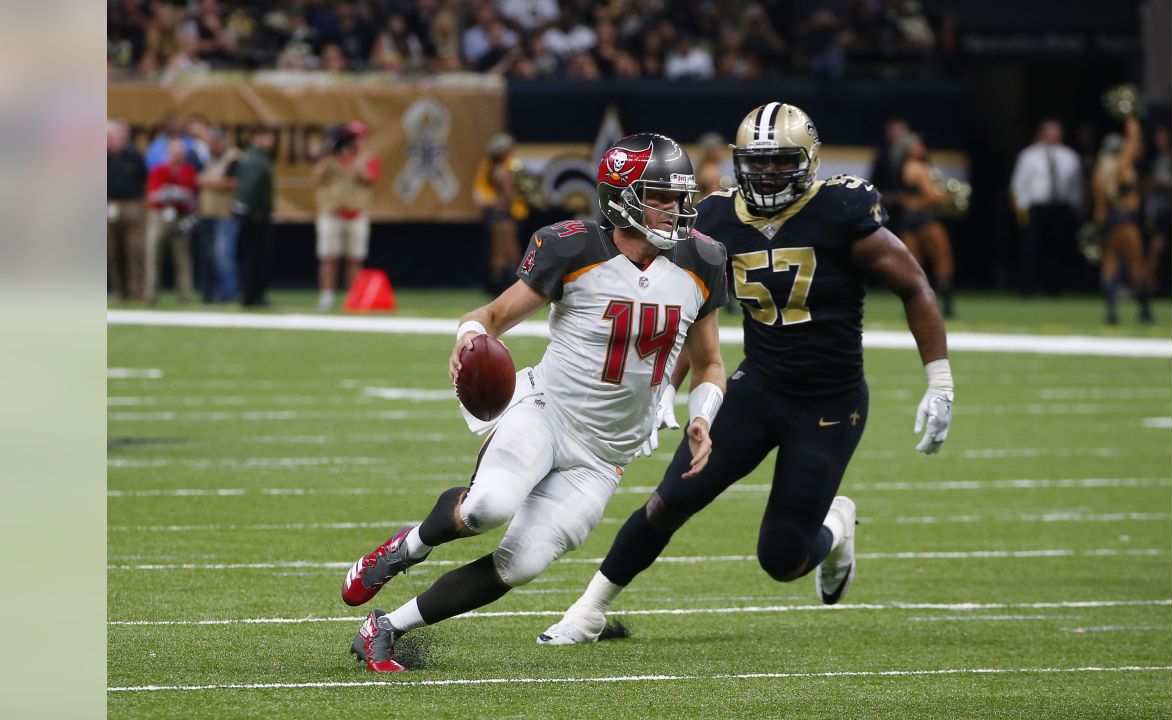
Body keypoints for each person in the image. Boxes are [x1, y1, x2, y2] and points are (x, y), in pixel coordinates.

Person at [538, 102, 953, 645]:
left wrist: (939, 379)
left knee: (782, 559)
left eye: (780, 162)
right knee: (671, 499)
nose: (767, 174)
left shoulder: (840, 209)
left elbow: (914, 286)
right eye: (756, 162)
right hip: (756, 388)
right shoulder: (715, 218)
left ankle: (837, 524)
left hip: (828, 403)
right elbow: (687, 308)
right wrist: (667, 382)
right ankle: (587, 611)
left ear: (808, 160)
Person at [339, 133, 729, 672]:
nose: (676, 210)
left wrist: (701, 417)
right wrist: (466, 338)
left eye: (680, 197)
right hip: (548, 412)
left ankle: (385, 627)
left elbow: (708, 362)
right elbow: (492, 316)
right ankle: (405, 550)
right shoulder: (574, 247)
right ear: (622, 196)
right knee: (486, 507)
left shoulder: (703, 259)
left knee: (518, 565)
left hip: (606, 453)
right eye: (660, 197)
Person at [1010, 119, 1084, 296]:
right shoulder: (1029, 155)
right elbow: (1019, 183)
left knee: (1056, 248)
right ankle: (1027, 287)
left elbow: (1076, 185)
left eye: (1056, 131)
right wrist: (1020, 207)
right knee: (1031, 248)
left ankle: (1052, 288)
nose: (1053, 135)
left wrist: (1076, 206)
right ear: (1042, 133)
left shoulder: (1070, 156)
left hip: (1059, 208)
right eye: (1049, 131)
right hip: (1035, 207)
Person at [312, 121, 381, 311]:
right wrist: (330, 153)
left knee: (354, 258)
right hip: (332, 212)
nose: (356, 141)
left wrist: (355, 161)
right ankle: (326, 297)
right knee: (328, 256)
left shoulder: (367, 157)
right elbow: (317, 177)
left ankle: (354, 297)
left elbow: (370, 179)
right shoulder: (331, 156)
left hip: (356, 213)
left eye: (359, 137)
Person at [1094, 116, 1154, 324]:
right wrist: (1131, 117)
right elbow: (1134, 143)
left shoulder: (1100, 173)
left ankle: (1111, 312)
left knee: (1110, 266)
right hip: (1127, 223)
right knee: (1137, 267)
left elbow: (1099, 211)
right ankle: (1145, 311)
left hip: (1111, 224)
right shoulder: (1121, 166)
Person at [897, 133, 957, 318]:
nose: (921, 149)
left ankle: (912, 308)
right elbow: (931, 196)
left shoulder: (903, 167)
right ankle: (947, 308)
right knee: (943, 262)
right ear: (908, 150)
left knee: (914, 267)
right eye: (917, 146)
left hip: (907, 219)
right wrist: (949, 197)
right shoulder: (919, 167)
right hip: (925, 219)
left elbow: (907, 198)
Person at [472, 133, 529, 296]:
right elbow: (482, 193)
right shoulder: (493, 168)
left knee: (508, 250)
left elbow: (518, 192)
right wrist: (496, 203)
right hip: (501, 214)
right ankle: (503, 287)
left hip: (509, 214)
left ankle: (510, 286)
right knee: (501, 251)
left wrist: (501, 203)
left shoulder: (512, 166)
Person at [144, 138, 198, 304]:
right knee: (153, 254)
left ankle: (185, 294)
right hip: (160, 215)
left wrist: (172, 193)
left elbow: (191, 195)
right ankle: (150, 294)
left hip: (181, 216)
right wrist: (173, 194)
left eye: (180, 151)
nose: (177, 154)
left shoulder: (189, 170)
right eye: (174, 151)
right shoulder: (159, 170)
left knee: (182, 257)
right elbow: (153, 196)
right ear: (168, 153)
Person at [194, 128, 239, 304]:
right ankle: (213, 292)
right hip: (208, 213)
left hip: (225, 214)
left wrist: (206, 181)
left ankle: (228, 293)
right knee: (212, 256)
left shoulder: (233, 157)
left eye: (213, 143)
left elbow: (233, 182)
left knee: (224, 255)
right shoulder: (210, 159)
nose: (211, 147)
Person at [234, 128, 276, 308]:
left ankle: (251, 294)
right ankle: (253, 295)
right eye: (266, 136)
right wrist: (257, 209)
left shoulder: (249, 156)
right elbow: (251, 187)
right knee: (256, 255)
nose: (271, 141)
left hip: (248, 211)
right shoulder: (257, 158)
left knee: (252, 255)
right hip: (255, 212)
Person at [107, 120, 149, 302]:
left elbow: (144, 179)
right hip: (109, 205)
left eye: (113, 136)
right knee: (112, 252)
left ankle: (137, 291)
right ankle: (119, 292)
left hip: (132, 206)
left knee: (135, 251)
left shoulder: (134, 156)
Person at [1143, 125, 1172, 295]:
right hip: (1160, 210)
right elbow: (1145, 184)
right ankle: (1148, 283)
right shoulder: (1153, 159)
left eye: (1164, 137)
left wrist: (1165, 182)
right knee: (1156, 247)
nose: (1160, 141)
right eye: (1157, 137)